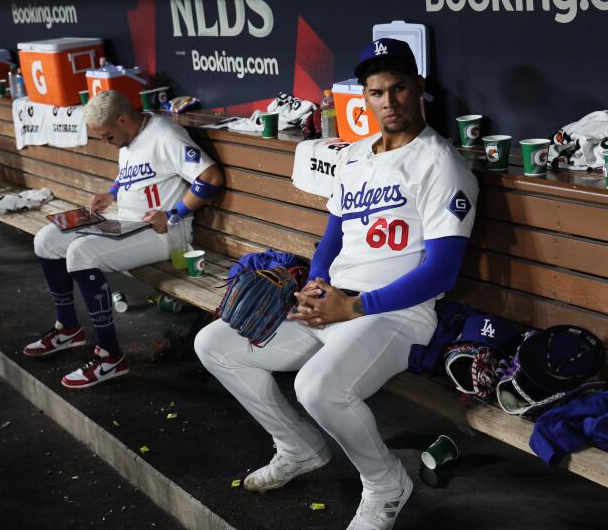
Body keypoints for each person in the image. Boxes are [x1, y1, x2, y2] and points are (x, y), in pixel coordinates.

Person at [194, 38, 479, 530]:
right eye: (376, 92)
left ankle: (387, 483)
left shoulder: (442, 165)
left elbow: (441, 273)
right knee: (215, 343)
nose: (387, 102)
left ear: (419, 91)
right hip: (335, 303)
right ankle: (298, 448)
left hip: (394, 315)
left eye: (398, 88)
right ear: (364, 98)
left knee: (318, 387)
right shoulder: (355, 156)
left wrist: (353, 307)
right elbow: (332, 237)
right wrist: (317, 284)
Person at [24, 90, 224, 389]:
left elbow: (210, 178)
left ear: (122, 119)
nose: (105, 142)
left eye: (107, 136)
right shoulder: (129, 134)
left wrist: (172, 214)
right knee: (46, 240)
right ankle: (68, 328)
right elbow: (132, 174)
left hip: (164, 232)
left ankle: (110, 357)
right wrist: (112, 193)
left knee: (82, 252)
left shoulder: (165, 134)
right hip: (125, 222)